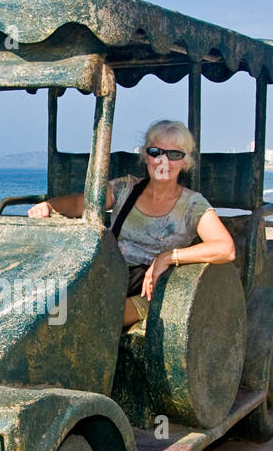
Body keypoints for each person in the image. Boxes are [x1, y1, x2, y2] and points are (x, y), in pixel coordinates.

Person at [28, 119, 236, 328]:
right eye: (156, 152)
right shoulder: (125, 188)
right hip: (109, 276)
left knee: (93, 323)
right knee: (49, 311)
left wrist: (167, 258)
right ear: (146, 156)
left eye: (174, 154)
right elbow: (79, 203)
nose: (163, 160)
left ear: (185, 162)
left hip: (150, 293)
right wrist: (48, 206)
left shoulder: (192, 204)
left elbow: (225, 248)